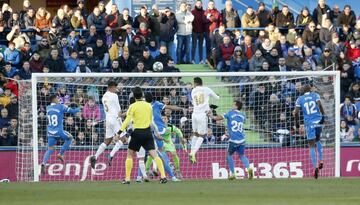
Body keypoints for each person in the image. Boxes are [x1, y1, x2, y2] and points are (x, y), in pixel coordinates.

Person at [116, 86, 167, 184]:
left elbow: (127, 120)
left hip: (137, 133)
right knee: (154, 155)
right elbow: (151, 122)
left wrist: (119, 132)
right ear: (142, 95)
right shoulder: (148, 105)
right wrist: (156, 133)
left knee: (130, 154)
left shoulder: (132, 106)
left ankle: (127, 179)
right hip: (147, 133)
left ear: (134, 96)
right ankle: (163, 176)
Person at [144, 92, 183, 182]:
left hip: (148, 131)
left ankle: (145, 173)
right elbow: (170, 107)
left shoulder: (144, 106)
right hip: (159, 130)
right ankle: (169, 172)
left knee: (145, 155)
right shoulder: (157, 104)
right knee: (157, 152)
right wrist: (181, 108)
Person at [211, 100, 253, 180]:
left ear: (236, 106)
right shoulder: (243, 115)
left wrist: (211, 116)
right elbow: (242, 121)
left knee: (229, 155)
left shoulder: (230, 113)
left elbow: (218, 118)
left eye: (233, 104)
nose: (232, 105)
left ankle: (233, 174)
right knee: (242, 155)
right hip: (242, 139)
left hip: (233, 139)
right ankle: (249, 168)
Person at [41, 95, 81, 174]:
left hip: (50, 132)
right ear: (54, 99)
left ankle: (43, 163)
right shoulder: (61, 106)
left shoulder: (48, 108)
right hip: (59, 131)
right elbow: (73, 111)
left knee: (50, 148)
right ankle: (60, 154)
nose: (59, 99)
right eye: (57, 98)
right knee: (70, 138)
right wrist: (80, 108)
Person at [90, 81, 125, 168]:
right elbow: (119, 111)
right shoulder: (114, 95)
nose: (116, 89)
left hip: (108, 119)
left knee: (108, 140)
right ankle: (111, 155)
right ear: (110, 87)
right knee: (124, 138)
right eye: (115, 88)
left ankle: (95, 156)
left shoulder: (104, 96)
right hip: (115, 119)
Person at [293, 84, 325, 179]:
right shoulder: (315, 95)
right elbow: (320, 105)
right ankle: (321, 160)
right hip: (318, 120)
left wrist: (297, 123)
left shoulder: (300, 99)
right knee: (318, 140)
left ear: (304, 90)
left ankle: (315, 167)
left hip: (309, 123)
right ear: (310, 89)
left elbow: (296, 113)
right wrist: (323, 116)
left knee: (311, 145)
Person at [189, 77, 220, 163]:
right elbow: (217, 98)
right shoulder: (207, 89)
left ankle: (191, 152)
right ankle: (193, 153)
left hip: (194, 114)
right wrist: (218, 95)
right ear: (202, 83)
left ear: (195, 83)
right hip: (202, 115)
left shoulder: (193, 91)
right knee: (202, 135)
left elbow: (195, 101)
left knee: (195, 134)